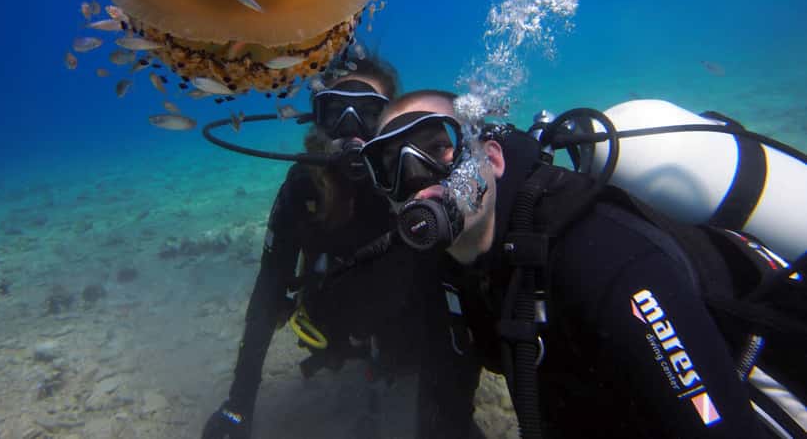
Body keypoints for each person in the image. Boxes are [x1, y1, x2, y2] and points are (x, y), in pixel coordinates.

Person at [359, 89, 807, 439]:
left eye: (438, 147)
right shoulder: (444, 273)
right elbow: (445, 399)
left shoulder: (596, 252)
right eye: (390, 166)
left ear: (492, 158)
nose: (415, 180)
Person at [202, 57, 418, 439]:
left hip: (404, 329)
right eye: (336, 112)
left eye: (369, 114)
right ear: (318, 119)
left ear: (390, 122)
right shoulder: (303, 186)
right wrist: (238, 405)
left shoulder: (410, 177)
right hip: (335, 327)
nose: (351, 127)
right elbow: (269, 290)